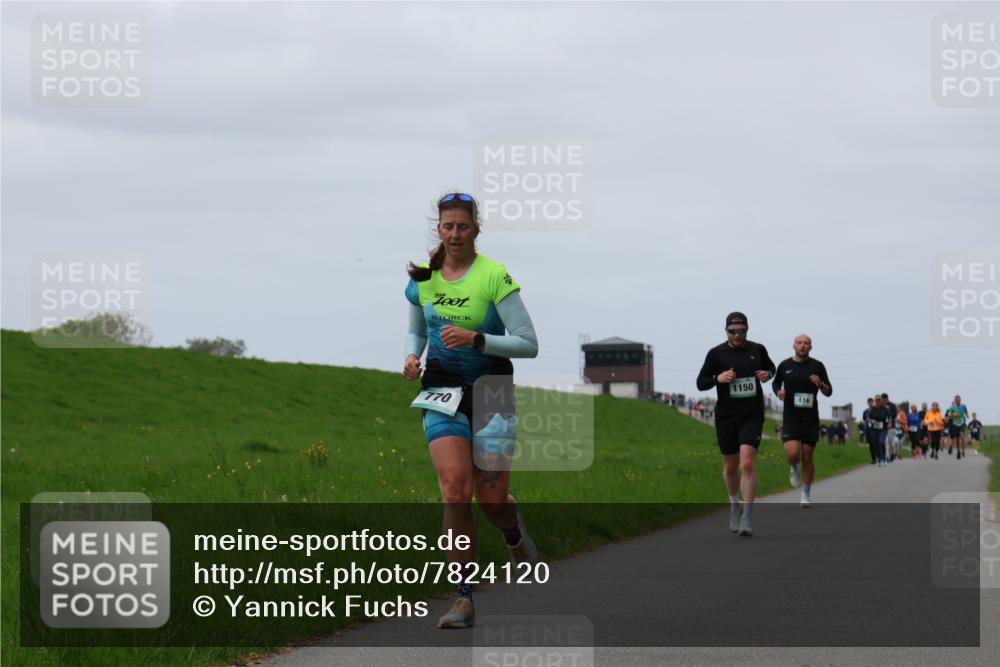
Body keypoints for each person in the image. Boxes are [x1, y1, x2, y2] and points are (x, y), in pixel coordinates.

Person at [403, 192, 539, 628]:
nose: (456, 234)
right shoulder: (423, 279)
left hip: (492, 392)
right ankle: (463, 598)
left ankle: (512, 532)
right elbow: (416, 332)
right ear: (438, 230)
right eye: (448, 226)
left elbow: (528, 343)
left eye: (463, 226)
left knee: (492, 500)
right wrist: (411, 357)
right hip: (442, 390)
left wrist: (479, 339)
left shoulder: (494, 276)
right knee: (454, 489)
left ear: (476, 230)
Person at [696, 312, 776, 536]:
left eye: (742, 331)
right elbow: (700, 382)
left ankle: (747, 517)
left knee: (748, 463)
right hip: (726, 416)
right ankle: (734, 505)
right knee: (731, 466)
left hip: (752, 414)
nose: (738, 335)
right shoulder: (716, 354)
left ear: (747, 330)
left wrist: (767, 374)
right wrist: (717, 379)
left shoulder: (757, 350)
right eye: (733, 331)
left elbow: (772, 368)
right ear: (726, 331)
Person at [772, 334, 832, 508]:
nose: (803, 346)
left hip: (810, 419)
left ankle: (806, 493)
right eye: (800, 343)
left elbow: (829, 391)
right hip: (791, 417)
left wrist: (820, 384)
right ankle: (794, 467)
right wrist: (779, 392)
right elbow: (775, 384)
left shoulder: (817, 366)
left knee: (807, 455)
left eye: (806, 343)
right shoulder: (785, 365)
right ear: (794, 346)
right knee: (792, 454)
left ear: (811, 347)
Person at [866, 395, 892, 466]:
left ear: (881, 401)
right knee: (876, 445)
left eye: (879, 400)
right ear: (875, 401)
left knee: (881, 442)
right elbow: (867, 418)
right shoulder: (871, 409)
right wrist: (871, 421)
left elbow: (890, 417)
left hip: (883, 429)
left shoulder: (885, 409)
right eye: (876, 401)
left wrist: (889, 423)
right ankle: (879, 459)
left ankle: (884, 458)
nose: (877, 402)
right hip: (874, 429)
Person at [945, 395, 970, 460]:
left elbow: (966, 412)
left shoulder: (963, 406)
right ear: (955, 401)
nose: (958, 401)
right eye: (956, 400)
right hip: (955, 424)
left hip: (962, 423)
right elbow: (949, 416)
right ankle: (956, 449)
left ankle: (963, 451)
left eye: (959, 400)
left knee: (962, 436)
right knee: (955, 438)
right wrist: (953, 415)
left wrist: (967, 415)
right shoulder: (952, 408)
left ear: (960, 400)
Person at [881, 393, 899, 462]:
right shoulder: (881, 406)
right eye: (882, 400)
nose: (883, 402)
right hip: (884, 427)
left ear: (887, 399)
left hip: (892, 426)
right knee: (886, 442)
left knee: (891, 442)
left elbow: (894, 415)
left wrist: (888, 411)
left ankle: (893, 453)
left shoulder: (892, 405)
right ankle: (887, 456)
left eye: (884, 400)